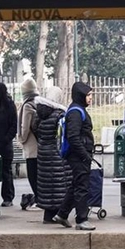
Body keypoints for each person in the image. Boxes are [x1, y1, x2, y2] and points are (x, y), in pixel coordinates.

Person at [53, 81, 97, 231]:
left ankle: (62, 214)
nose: (90, 98)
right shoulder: (76, 112)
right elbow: (73, 137)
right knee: (82, 187)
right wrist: (85, 155)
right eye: (88, 95)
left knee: (76, 185)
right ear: (80, 95)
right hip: (78, 156)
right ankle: (82, 219)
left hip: (79, 155)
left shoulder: (77, 110)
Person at [33, 86, 69, 225]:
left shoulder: (39, 114)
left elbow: (35, 130)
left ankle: (48, 215)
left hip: (43, 153)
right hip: (56, 153)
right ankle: (58, 214)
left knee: (47, 184)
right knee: (59, 183)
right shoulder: (59, 115)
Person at [17, 78, 41, 209]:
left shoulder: (27, 105)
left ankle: (38, 200)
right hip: (40, 144)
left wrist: (21, 139)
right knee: (40, 175)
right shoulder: (38, 102)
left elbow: (25, 127)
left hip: (31, 146)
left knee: (33, 175)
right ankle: (41, 198)